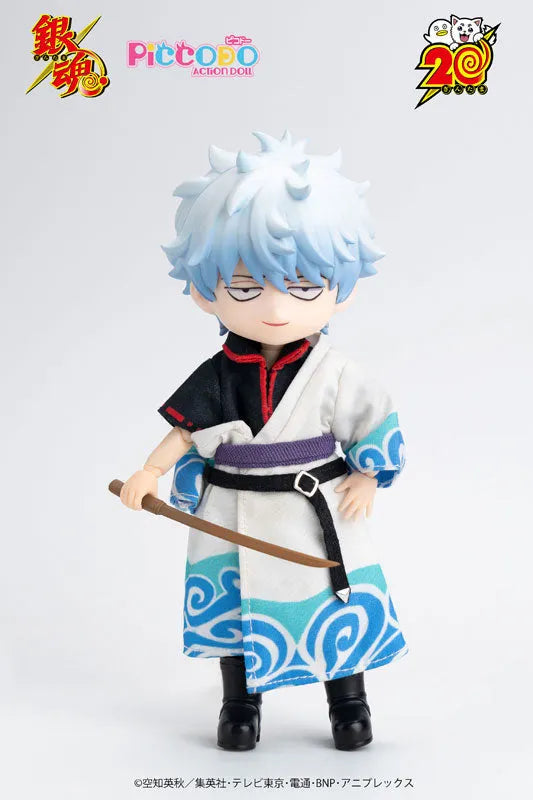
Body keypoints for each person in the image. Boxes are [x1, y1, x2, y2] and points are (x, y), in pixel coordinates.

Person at [119, 130, 407, 751]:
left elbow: (371, 422)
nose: (275, 307)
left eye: (303, 286)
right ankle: (240, 704)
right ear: (206, 291)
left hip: (316, 509)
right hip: (234, 511)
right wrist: (149, 471)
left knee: (334, 604)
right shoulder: (219, 372)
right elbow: (185, 429)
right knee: (239, 618)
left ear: (341, 287)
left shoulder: (335, 372)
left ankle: (348, 702)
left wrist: (367, 474)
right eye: (246, 288)